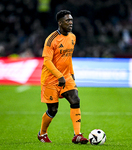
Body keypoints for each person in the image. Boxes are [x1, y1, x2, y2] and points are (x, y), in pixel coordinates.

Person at [37, 10, 88, 144]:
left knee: (75, 100)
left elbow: (68, 58)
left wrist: (71, 74)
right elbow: (47, 61)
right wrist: (59, 76)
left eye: (71, 20)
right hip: (50, 79)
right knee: (53, 110)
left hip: (66, 77)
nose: (71, 23)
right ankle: (42, 133)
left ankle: (77, 135)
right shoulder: (51, 39)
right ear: (60, 23)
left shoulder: (72, 37)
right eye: (67, 20)